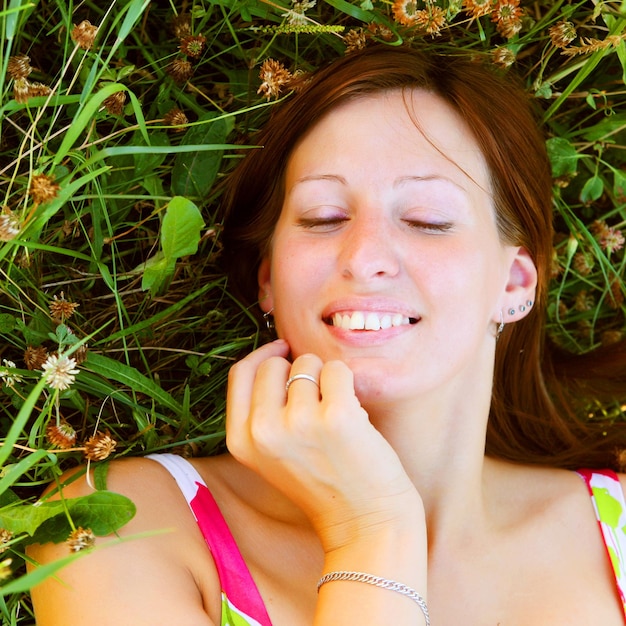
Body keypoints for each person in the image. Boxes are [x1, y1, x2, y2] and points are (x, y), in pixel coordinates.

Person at [28, 44, 626, 625]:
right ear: (269, 279)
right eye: (323, 218)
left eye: (427, 220)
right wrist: (371, 531)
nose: (364, 256)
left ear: (515, 283)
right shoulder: (116, 521)